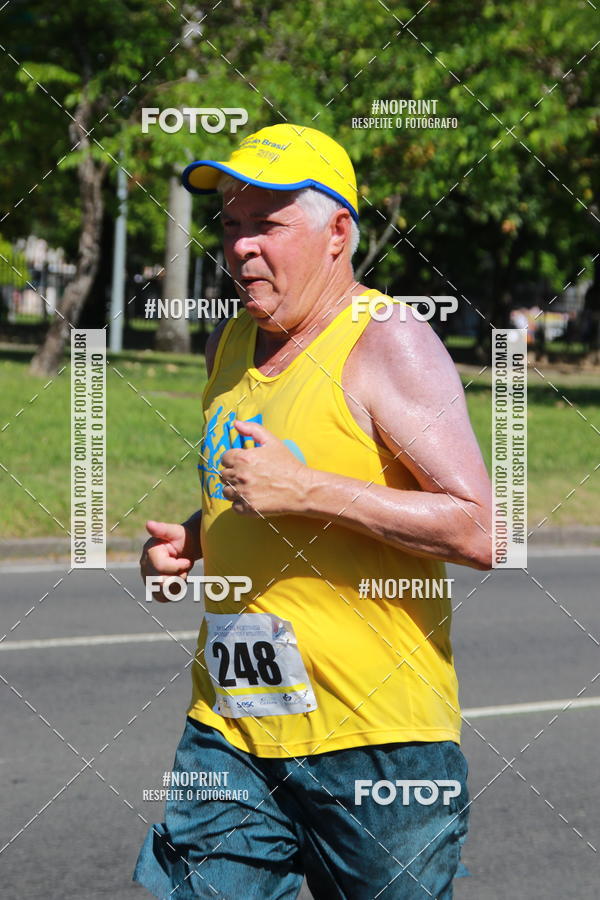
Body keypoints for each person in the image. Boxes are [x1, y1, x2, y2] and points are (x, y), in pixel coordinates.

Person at [133, 123, 492, 899]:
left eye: (266, 223)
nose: (238, 247)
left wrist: (310, 494)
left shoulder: (387, 340)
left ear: (337, 232)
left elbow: (479, 527)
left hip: (377, 746)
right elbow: (258, 482)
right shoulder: (230, 344)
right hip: (230, 726)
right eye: (229, 224)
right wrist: (193, 541)